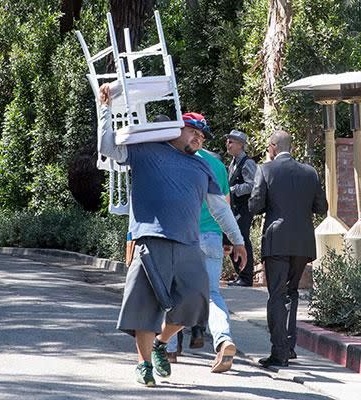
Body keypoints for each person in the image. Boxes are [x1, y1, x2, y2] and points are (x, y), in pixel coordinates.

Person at [97, 83, 247, 386]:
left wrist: (240, 241)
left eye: (202, 135)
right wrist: (105, 108)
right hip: (150, 241)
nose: (198, 137)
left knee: (194, 302)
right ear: (175, 129)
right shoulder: (145, 151)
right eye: (193, 130)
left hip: (190, 245)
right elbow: (106, 146)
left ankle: (160, 343)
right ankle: (144, 364)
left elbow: (219, 209)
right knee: (144, 306)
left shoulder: (201, 167)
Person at [248, 130, 328, 368]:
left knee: (276, 295)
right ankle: (290, 346)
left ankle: (279, 351)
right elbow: (321, 207)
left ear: (273, 147)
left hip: (277, 241)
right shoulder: (310, 172)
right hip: (302, 242)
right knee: (291, 293)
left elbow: (255, 205)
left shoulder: (265, 169)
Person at [166, 148, 238, 373]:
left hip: (182, 235)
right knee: (212, 294)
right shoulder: (216, 165)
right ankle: (223, 340)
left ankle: (168, 349)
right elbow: (224, 205)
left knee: (172, 291)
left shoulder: (176, 159)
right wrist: (231, 239)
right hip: (212, 237)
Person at [225, 130, 257, 287]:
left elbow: (253, 185)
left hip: (244, 209)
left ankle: (246, 277)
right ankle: (241, 274)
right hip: (234, 208)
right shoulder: (233, 162)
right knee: (231, 239)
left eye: (231, 142)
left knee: (242, 239)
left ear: (241, 145)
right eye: (228, 141)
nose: (228, 144)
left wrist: (234, 189)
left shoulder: (247, 163)